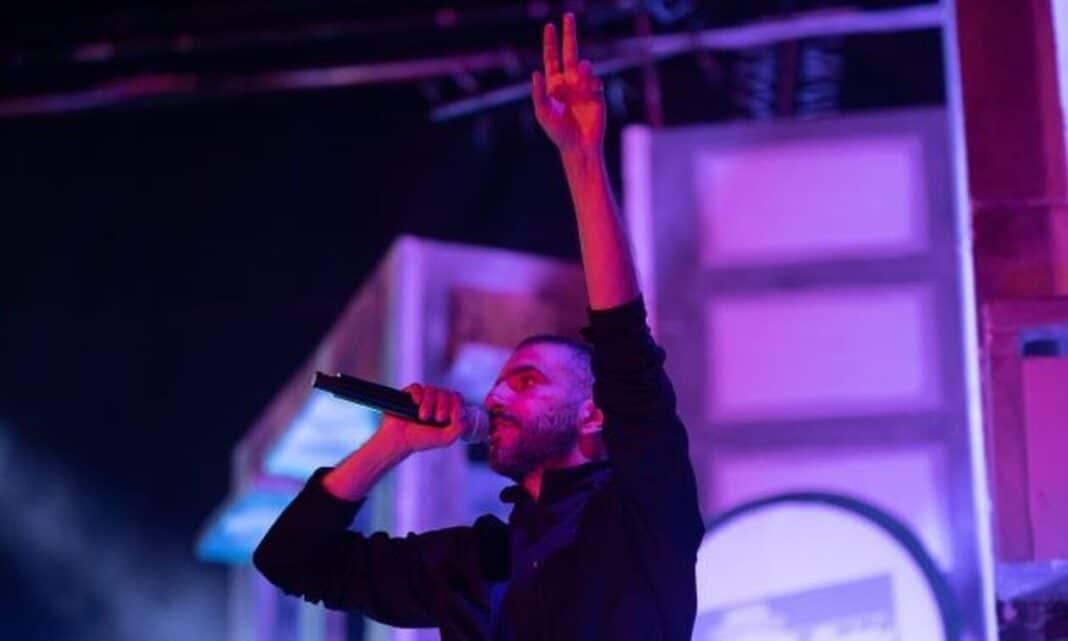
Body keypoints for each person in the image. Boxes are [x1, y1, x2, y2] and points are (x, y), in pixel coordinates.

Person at [253, 13, 704, 641]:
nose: (495, 396)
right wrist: (391, 444)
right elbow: (290, 560)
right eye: (500, 383)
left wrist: (581, 159)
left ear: (593, 413)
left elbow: (624, 346)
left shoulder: (641, 515)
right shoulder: (472, 563)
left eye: (526, 381)